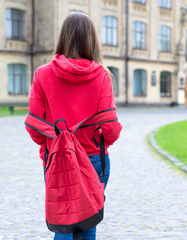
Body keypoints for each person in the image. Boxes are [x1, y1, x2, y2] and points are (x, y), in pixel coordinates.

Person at [25, 12, 122, 240]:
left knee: (64, 223)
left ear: (63, 37)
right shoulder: (102, 76)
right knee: (88, 222)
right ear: (92, 39)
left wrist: (55, 141)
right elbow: (110, 128)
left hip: (57, 158)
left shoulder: (42, 74)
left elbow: (33, 126)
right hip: (93, 158)